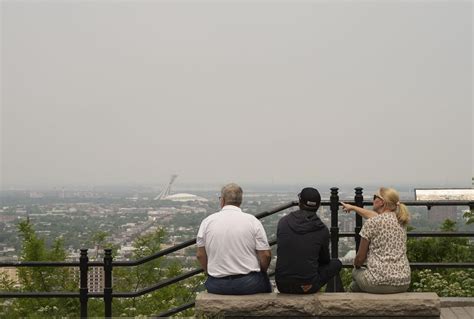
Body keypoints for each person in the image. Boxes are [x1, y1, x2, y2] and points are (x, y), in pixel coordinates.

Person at [196, 183, 272, 295]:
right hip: (249, 283)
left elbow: (200, 255)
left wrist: (210, 272)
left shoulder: (207, 222)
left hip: (217, 284)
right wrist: (261, 272)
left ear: (222, 200)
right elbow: (266, 255)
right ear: (240, 201)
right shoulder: (252, 221)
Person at [340, 187, 411, 293]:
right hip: (403, 281)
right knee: (358, 284)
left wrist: (356, 264)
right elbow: (377, 216)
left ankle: (348, 303)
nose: (373, 200)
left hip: (377, 282)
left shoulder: (372, 223)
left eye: (374, 197)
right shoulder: (401, 221)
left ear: (382, 202)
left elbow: (360, 257)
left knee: (356, 273)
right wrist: (353, 207)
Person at [275, 187, 342, 294]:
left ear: (300, 203)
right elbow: (325, 260)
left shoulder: (283, 222)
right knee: (336, 263)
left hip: (282, 284)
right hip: (307, 286)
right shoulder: (322, 230)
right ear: (318, 206)